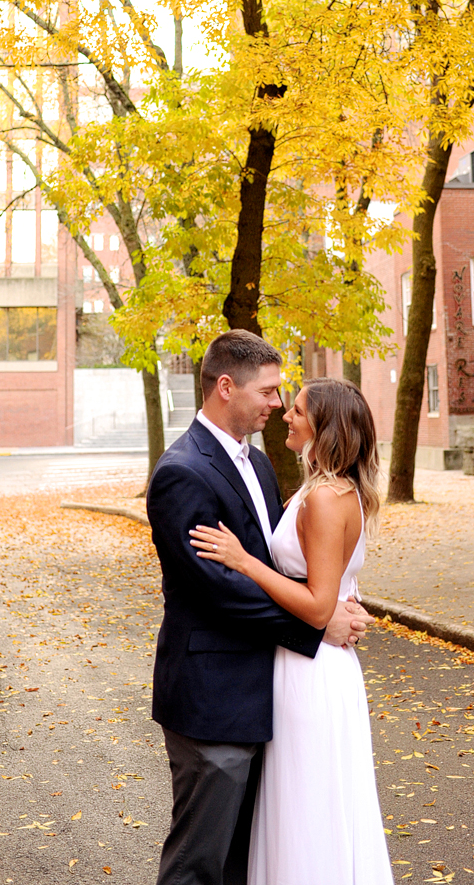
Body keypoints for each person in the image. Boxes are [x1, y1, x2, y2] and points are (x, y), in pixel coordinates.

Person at [147, 331, 369, 885]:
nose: (277, 403)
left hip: (270, 694)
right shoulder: (182, 472)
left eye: (283, 396)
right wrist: (318, 626)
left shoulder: (265, 465)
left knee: (249, 860)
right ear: (227, 387)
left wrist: (337, 600)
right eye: (269, 391)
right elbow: (217, 591)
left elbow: (289, 568)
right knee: (199, 863)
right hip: (213, 696)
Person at [190, 377, 394, 885]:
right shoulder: (328, 489)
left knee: (308, 809)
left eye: (298, 410)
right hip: (308, 664)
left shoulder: (326, 497)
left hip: (312, 671)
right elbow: (335, 584)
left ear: (323, 426)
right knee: (307, 804)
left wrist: (243, 561)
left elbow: (318, 604)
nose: (285, 414)